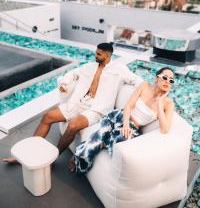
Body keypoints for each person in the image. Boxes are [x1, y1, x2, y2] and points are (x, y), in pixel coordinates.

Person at [2, 42, 142, 164]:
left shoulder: (119, 69)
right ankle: (28, 153)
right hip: (79, 103)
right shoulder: (90, 66)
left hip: (96, 110)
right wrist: (65, 84)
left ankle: (52, 158)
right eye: (96, 53)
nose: (95, 56)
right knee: (47, 117)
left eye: (98, 54)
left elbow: (137, 81)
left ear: (107, 55)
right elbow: (73, 73)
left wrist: (154, 95)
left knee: (73, 125)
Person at [73, 67, 175, 175]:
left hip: (133, 128)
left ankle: (103, 141)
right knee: (93, 143)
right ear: (157, 78)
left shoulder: (168, 103)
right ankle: (79, 160)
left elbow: (165, 129)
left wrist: (159, 102)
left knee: (115, 147)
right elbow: (129, 106)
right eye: (165, 78)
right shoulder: (145, 85)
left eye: (171, 80)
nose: (167, 82)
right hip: (119, 117)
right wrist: (125, 125)